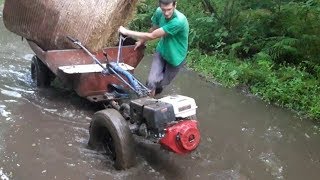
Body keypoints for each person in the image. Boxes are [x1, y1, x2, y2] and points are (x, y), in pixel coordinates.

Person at [118, 0, 189, 97]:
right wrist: (141, 41)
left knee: (160, 85)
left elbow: (152, 36)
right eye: (164, 10)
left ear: (175, 5)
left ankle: (153, 96)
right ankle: (147, 102)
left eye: (169, 9)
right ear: (160, 6)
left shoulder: (179, 21)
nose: (166, 13)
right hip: (162, 51)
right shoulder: (159, 12)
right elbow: (154, 28)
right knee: (151, 82)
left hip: (176, 58)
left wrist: (126, 32)